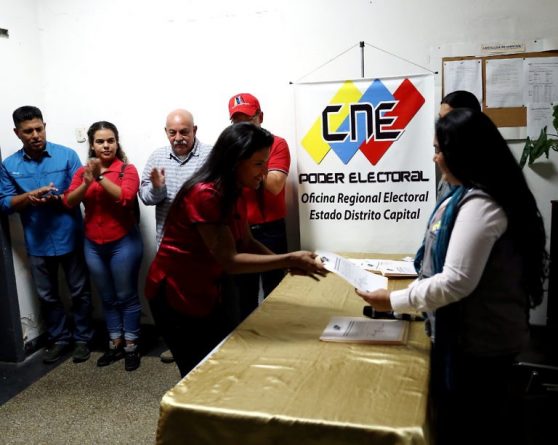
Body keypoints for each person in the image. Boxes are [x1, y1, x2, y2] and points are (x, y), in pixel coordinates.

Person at [355, 109, 547, 445]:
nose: (435, 158)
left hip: (482, 346)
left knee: (472, 426)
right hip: (474, 337)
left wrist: (393, 300)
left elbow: (456, 280)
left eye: (439, 150)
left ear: (462, 153)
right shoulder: (463, 194)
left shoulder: (482, 206)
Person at [145, 122, 326, 377]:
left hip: (210, 287)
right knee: (198, 371)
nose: (265, 172)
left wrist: (286, 264)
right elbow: (230, 260)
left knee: (223, 358)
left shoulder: (236, 189)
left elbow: (246, 242)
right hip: (176, 292)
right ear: (235, 161)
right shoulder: (205, 194)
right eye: (259, 164)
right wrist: (289, 259)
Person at [0, 106, 93, 364]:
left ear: (44, 126)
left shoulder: (66, 155)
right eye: (28, 131)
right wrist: (28, 197)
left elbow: (82, 192)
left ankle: (83, 339)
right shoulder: (9, 165)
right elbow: (4, 203)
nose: (35, 135)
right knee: (47, 295)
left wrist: (58, 198)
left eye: (38, 129)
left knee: (80, 292)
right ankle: (60, 339)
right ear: (17, 133)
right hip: (37, 241)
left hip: (70, 236)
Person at [64, 121, 143, 372]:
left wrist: (98, 176)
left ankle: (131, 345)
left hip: (124, 242)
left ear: (117, 143)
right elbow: (68, 201)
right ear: (92, 145)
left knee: (126, 296)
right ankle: (115, 343)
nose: (106, 145)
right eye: (100, 141)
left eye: (110, 140)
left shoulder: (127, 170)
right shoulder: (82, 172)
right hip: (93, 245)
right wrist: (87, 182)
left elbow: (126, 197)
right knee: (107, 298)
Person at [139, 108, 212, 364]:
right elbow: (146, 197)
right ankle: (179, 345)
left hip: (204, 247)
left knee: (203, 301)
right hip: (168, 247)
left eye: (184, 132)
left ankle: (207, 348)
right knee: (173, 302)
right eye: (173, 133)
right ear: (166, 132)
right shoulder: (157, 157)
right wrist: (158, 188)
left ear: (195, 130)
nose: (178, 138)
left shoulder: (211, 156)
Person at [228, 93, 291, 320]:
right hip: (239, 229)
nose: (244, 127)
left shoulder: (277, 144)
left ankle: (277, 337)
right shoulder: (229, 147)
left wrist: (246, 161)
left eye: (249, 120)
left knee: (276, 293)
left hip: (270, 230)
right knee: (242, 296)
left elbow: (275, 185)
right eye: (237, 122)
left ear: (260, 117)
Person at [436, 90, 482, 198]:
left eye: (447, 120)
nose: (442, 126)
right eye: (441, 119)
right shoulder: (450, 167)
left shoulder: (482, 174)